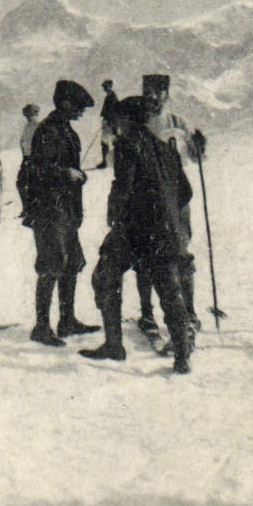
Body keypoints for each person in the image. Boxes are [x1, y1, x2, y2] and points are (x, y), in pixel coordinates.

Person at [79, 96, 194, 373]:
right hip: (166, 230)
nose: (115, 123)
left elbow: (123, 185)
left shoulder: (127, 145)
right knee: (169, 290)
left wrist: (115, 216)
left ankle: (114, 345)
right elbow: (185, 192)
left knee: (105, 277)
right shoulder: (166, 150)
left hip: (136, 229)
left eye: (118, 118)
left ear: (128, 120)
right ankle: (182, 357)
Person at [23, 80, 100, 346]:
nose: (81, 112)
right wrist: (65, 173)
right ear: (65, 103)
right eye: (78, 107)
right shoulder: (47, 131)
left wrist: (77, 176)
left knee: (72, 263)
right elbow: (36, 170)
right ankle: (41, 327)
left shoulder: (66, 131)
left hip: (66, 209)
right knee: (51, 265)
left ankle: (67, 320)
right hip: (48, 209)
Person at [134, 74, 204, 340]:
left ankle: (189, 311)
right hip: (146, 198)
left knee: (181, 252)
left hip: (177, 197)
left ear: (167, 94)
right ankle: (147, 312)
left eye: (158, 92)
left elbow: (196, 156)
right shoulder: (138, 122)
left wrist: (199, 146)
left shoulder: (179, 122)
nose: (152, 97)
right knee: (144, 255)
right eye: (148, 92)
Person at [95, 79, 118, 170]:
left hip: (111, 124)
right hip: (107, 123)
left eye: (106, 87)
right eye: (104, 88)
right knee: (104, 143)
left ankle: (113, 162)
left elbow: (115, 112)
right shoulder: (109, 97)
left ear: (110, 87)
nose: (105, 89)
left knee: (113, 143)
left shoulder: (112, 97)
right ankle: (105, 162)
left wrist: (111, 123)